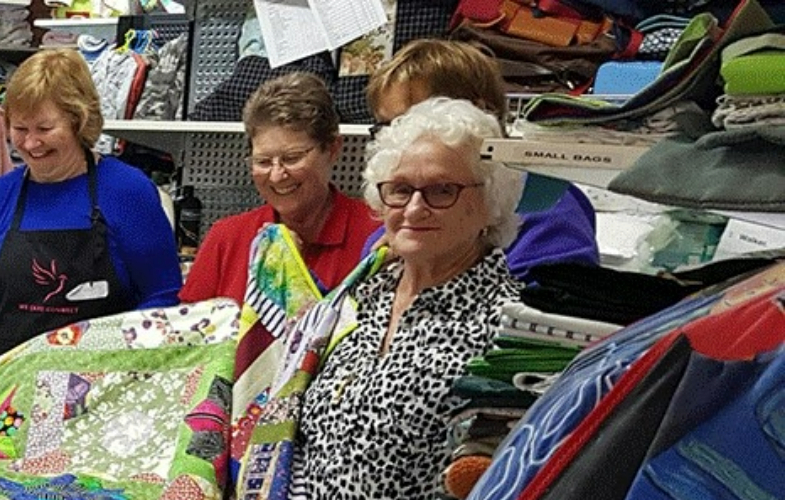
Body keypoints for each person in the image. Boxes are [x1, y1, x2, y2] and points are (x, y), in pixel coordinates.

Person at [0, 49, 183, 412]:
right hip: (14, 399)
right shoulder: (0, 196)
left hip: (106, 401)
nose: (31, 143)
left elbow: (163, 298)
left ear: (79, 121)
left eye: (45, 129)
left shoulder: (127, 192)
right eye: (20, 129)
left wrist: (119, 366)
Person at [289, 98, 524, 499]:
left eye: (442, 190)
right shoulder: (360, 297)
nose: (415, 208)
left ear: (490, 202)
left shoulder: (511, 330)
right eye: (400, 190)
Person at [366, 39, 598, 282]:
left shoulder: (550, 207)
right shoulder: (392, 228)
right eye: (387, 126)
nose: (398, 137)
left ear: (478, 114)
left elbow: (548, 309)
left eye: (415, 118)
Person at [183, 72, 381, 305]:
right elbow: (191, 334)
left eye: (292, 158)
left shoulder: (377, 237)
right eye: (263, 162)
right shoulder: (225, 238)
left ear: (333, 148)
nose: (277, 175)